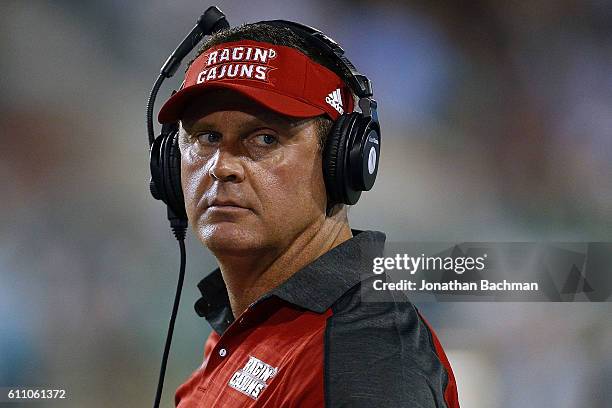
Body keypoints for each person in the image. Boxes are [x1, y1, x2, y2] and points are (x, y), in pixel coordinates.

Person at [156, 21, 459, 408]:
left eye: (265, 138)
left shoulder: (366, 361)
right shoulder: (247, 327)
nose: (221, 166)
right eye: (206, 137)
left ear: (341, 162)